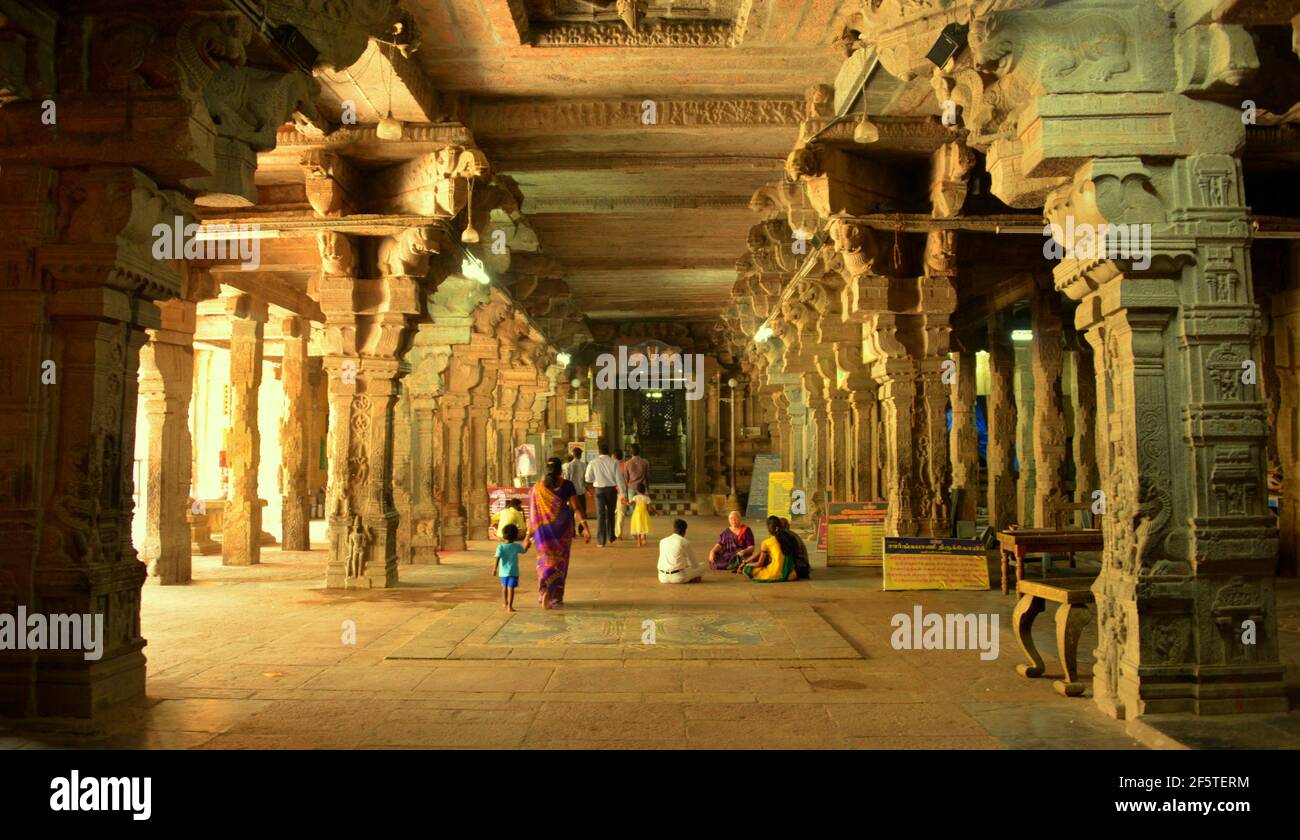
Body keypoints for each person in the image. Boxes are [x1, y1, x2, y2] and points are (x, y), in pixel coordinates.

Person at [528, 456, 590, 608]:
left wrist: (528, 535)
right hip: (562, 530)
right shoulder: (567, 485)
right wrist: (585, 527)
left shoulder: (537, 487)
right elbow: (576, 508)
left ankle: (543, 591)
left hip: (543, 532)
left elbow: (533, 513)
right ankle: (555, 597)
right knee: (560, 563)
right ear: (560, 470)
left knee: (544, 560)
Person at [584, 442, 626, 547]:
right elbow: (619, 479)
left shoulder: (593, 462)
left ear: (599, 451)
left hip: (599, 490)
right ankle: (611, 537)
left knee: (600, 515)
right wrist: (623, 494)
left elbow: (588, 478)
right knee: (611, 514)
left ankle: (601, 541)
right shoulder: (615, 462)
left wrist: (596, 478)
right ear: (609, 451)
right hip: (611, 490)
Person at [736, 516, 799, 582]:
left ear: (768, 529)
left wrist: (746, 565)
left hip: (775, 573)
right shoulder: (788, 538)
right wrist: (746, 561)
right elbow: (759, 552)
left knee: (747, 569)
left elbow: (759, 563)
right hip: (790, 573)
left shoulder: (767, 542)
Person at [493, 523, 528, 611]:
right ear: (515, 536)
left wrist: (494, 569)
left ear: (504, 535)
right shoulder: (516, 546)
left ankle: (505, 603)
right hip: (513, 571)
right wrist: (527, 546)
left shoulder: (500, 547)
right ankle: (510, 606)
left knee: (504, 587)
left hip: (503, 572)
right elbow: (524, 551)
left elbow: (497, 558)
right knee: (511, 588)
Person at [657, 519, 704, 584]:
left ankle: (689, 577)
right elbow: (694, 565)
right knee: (702, 566)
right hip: (679, 577)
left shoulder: (662, 541)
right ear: (685, 531)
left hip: (662, 577)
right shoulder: (684, 541)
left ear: (673, 529)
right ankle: (690, 578)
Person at [563, 447, 588, 524]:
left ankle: (573, 530)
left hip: (571, 493)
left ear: (573, 455)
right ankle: (581, 528)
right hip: (581, 491)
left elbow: (566, 479)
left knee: (571, 511)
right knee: (582, 510)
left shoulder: (569, 465)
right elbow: (586, 479)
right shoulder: (584, 465)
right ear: (580, 455)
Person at [629, 483, 654, 547]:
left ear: (637, 490)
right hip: (644, 513)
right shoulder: (647, 498)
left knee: (638, 527)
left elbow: (630, 504)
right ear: (644, 490)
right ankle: (644, 539)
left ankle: (639, 542)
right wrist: (656, 512)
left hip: (636, 514)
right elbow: (650, 508)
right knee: (644, 525)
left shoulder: (635, 497)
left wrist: (624, 502)